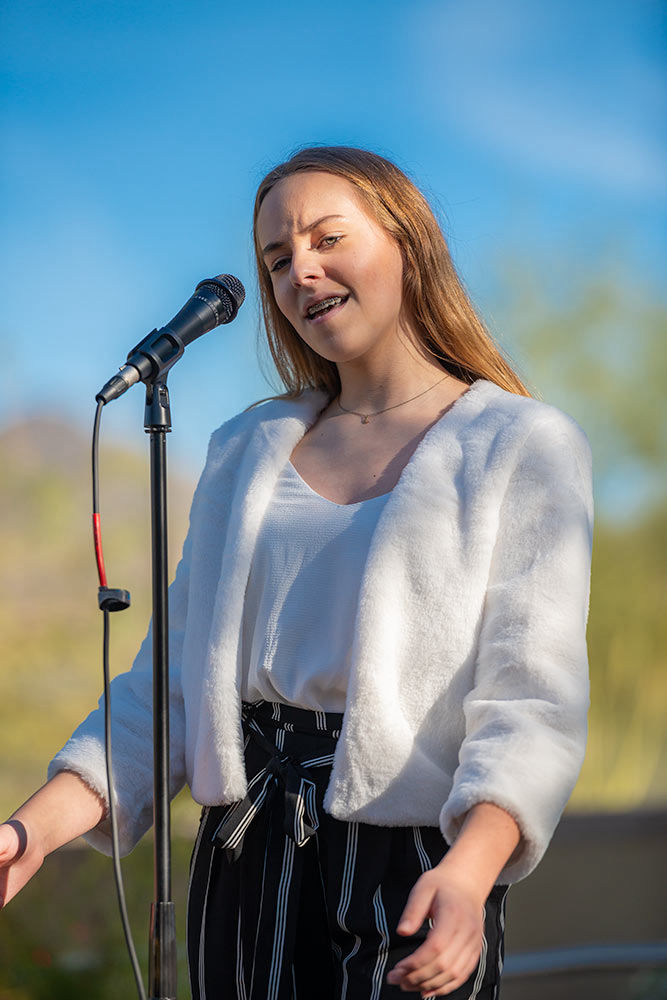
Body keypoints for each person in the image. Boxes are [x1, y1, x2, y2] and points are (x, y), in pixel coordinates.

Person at [0, 146, 594, 999]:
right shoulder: (244, 451)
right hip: (246, 846)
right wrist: (26, 834)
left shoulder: (519, 445)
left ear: (406, 244)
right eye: (277, 260)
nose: (300, 271)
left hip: (420, 859)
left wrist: (470, 875)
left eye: (326, 238)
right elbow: (163, 691)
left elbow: (530, 702)